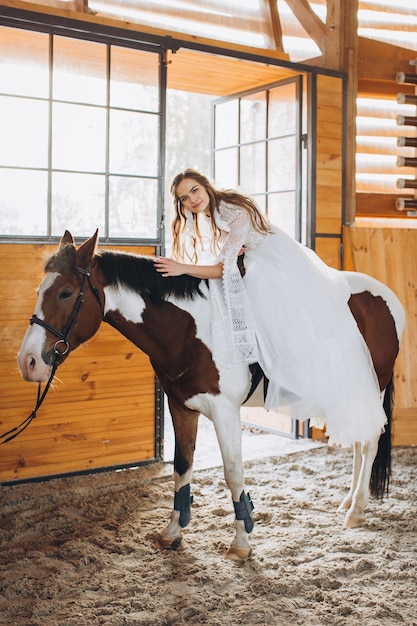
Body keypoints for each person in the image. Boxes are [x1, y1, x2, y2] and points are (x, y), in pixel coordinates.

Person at [154, 169, 386, 447]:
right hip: (256, 256)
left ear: (205, 186)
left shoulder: (230, 209)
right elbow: (227, 255)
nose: (191, 199)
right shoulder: (210, 213)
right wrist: (232, 248)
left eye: (194, 190)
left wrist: (181, 268)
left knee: (257, 298)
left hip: (272, 262)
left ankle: (274, 368)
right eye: (183, 198)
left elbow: (221, 267)